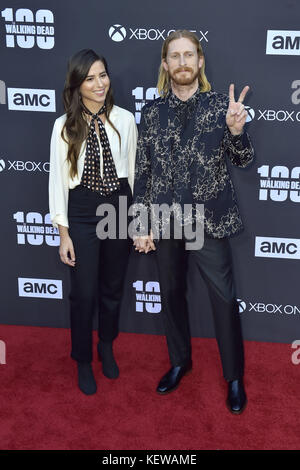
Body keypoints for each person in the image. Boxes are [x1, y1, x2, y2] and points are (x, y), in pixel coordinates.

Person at [133, 30, 254, 414]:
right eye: (175, 56)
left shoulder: (222, 106)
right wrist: (141, 222)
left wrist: (237, 131)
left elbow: (244, 161)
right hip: (166, 220)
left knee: (223, 300)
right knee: (170, 297)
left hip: (208, 221)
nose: (183, 62)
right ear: (165, 65)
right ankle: (180, 362)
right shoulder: (151, 113)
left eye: (189, 55)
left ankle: (234, 377)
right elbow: (143, 171)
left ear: (200, 62)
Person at [49, 49, 137, 395]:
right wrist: (63, 232)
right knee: (83, 294)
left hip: (118, 208)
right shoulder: (63, 126)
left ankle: (106, 346)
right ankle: (83, 360)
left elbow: (135, 173)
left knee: (112, 289)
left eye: (103, 75)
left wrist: (137, 219)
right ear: (77, 84)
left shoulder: (127, 120)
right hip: (82, 211)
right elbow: (57, 180)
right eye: (90, 78)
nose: (100, 84)